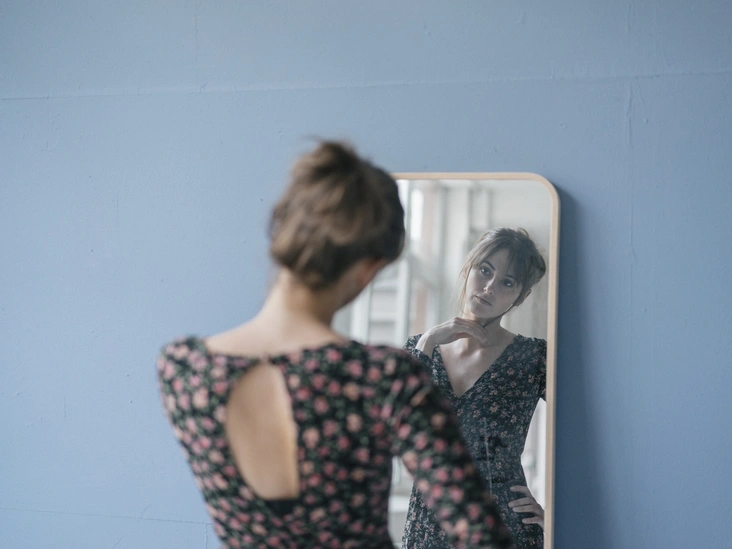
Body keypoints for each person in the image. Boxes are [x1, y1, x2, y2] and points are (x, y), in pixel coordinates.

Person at [156, 141, 514, 548]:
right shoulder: (383, 377)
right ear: (368, 269)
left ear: (280, 229)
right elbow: (483, 538)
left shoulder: (183, 368)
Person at [401, 228, 548, 549]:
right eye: (485, 270)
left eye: (507, 282)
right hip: (428, 527)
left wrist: (558, 510)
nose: (489, 286)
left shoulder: (535, 357)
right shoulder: (420, 349)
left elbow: (587, 433)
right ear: (468, 268)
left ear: (521, 296)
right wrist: (428, 342)